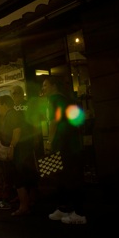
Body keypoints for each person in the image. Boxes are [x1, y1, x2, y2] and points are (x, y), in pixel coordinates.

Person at [42, 76, 87, 224]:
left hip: (62, 145)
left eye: (45, 85)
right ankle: (63, 209)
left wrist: (49, 142)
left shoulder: (54, 99)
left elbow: (54, 122)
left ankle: (78, 213)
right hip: (70, 145)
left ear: (54, 86)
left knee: (65, 177)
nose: (43, 88)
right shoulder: (66, 99)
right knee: (62, 177)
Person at [0, 94, 38, 216]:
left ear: (4, 105)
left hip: (20, 152)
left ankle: (24, 207)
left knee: (19, 178)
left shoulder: (12, 114)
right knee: (25, 178)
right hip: (23, 151)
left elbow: (17, 131)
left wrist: (12, 147)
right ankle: (29, 203)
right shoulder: (13, 114)